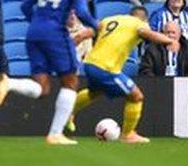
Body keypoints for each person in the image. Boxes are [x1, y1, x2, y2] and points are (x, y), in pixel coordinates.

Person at [0, 0, 101, 144]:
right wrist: (97, 26)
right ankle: (55, 133)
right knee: (70, 81)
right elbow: (82, 11)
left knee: (43, 88)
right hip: (55, 33)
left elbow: (25, 6)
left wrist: (39, 22)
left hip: (34, 32)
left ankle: (10, 83)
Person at [65, 11, 173, 143]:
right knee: (136, 96)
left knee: (95, 92)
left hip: (90, 63)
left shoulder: (109, 19)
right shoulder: (138, 24)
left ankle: (68, 111)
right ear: (145, 20)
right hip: (106, 68)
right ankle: (128, 135)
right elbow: (148, 34)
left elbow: (82, 34)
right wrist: (169, 41)